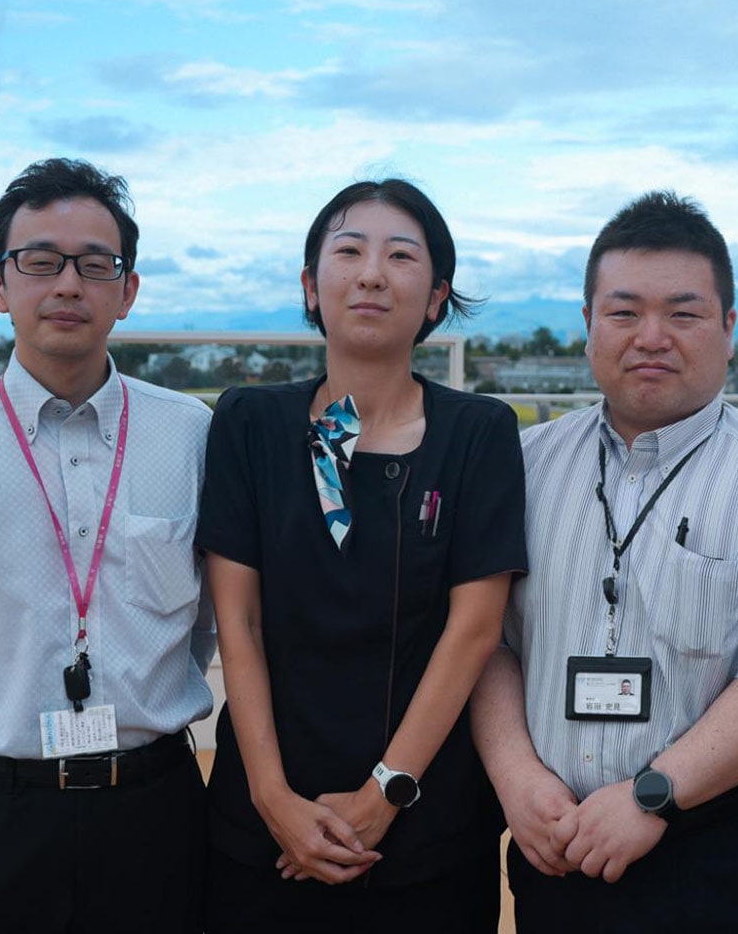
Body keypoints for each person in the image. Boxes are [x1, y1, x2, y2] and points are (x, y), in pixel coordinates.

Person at [471, 191, 738, 934]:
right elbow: (485, 639)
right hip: (557, 840)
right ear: (588, 324)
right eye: (623, 312)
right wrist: (517, 779)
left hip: (727, 851)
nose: (651, 337)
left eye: (683, 314)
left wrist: (652, 795)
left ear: (729, 329)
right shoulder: (521, 466)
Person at [0, 158, 215, 932]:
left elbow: (208, 623)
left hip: (157, 812)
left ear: (127, 291)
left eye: (95, 265)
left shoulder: (191, 434)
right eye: (40, 262)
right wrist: (8, 740)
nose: (67, 285)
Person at [197, 179, 525, 933]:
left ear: (436, 297)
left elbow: (474, 631)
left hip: (426, 834)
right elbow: (238, 623)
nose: (373, 274)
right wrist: (272, 798)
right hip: (265, 828)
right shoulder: (251, 423)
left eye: (401, 256)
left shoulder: (476, 433)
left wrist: (385, 794)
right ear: (311, 287)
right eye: (348, 252)